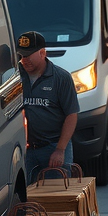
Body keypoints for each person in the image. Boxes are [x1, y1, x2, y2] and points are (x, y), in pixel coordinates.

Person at [16, 30, 80, 185]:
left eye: (29, 55)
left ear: (42, 53)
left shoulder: (61, 78)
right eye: (22, 55)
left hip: (52, 146)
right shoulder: (16, 77)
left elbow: (71, 115)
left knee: (55, 194)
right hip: (25, 149)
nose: (25, 60)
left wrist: (60, 150)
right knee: (27, 201)